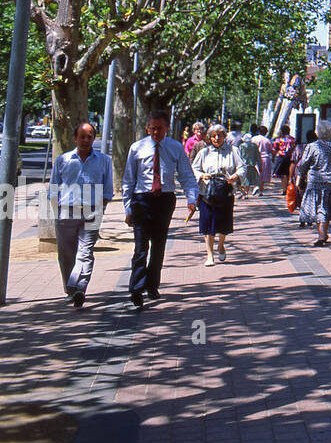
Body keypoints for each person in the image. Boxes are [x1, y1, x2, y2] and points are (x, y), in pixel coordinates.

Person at [121, 109, 199, 307]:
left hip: (164, 200)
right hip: (142, 199)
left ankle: (152, 285)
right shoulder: (136, 148)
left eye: (160, 129)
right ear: (147, 128)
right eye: (152, 129)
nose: (156, 132)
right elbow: (128, 180)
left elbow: (186, 175)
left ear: (167, 128)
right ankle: (136, 290)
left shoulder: (175, 148)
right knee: (140, 247)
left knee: (159, 245)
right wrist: (128, 208)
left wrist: (192, 198)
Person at [51, 122, 113, 308]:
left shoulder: (104, 160)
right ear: (75, 138)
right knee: (66, 254)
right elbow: (54, 188)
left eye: (90, 136)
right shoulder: (63, 160)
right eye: (82, 136)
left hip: (91, 212)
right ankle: (70, 290)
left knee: (85, 252)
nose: (86, 140)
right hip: (66, 212)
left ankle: (80, 288)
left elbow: (107, 189)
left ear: (94, 138)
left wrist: (100, 209)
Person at [191, 123, 242, 266]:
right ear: (209, 138)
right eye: (213, 136)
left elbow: (242, 167)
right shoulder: (204, 152)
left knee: (223, 222)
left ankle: (221, 245)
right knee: (207, 223)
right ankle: (209, 255)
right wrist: (202, 175)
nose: (216, 138)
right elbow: (194, 168)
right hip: (207, 192)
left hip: (225, 192)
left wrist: (235, 176)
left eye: (219, 135)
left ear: (224, 136)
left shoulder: (233, 151)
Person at [296, 120, 331, 247]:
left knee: (320, 208)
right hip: (330, 182)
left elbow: (303, 165)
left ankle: (322, 235)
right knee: (325, 208)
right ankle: (323, 232)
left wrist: (299, 179)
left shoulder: (311, 147)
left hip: (315, 182)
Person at [272, 124, 294, 202]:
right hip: (291, 158)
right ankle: (289, 187)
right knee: (289, 174)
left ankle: (284, 189)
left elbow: (274, 149)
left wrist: (273, 157)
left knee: (283, 175)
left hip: (281, 157)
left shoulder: (278, 140)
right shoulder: (293, 140)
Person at [238, 128, 261, 195]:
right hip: (252, 164)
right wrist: (260, 164)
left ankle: (245, 193)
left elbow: (239, 155)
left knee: (245, 179)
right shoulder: (254, 146)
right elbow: (258, 156)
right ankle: (255, 187)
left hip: (244, 164)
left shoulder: (242, 146)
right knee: (254, 177)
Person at [255, 125, 274, 190]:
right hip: (265, 158)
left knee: (256, 173)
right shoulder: (267, 140)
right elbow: (271, 150)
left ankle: (256, 187)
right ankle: (261, 188)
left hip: (255, 158)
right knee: (263, 174)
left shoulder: (253, 139)